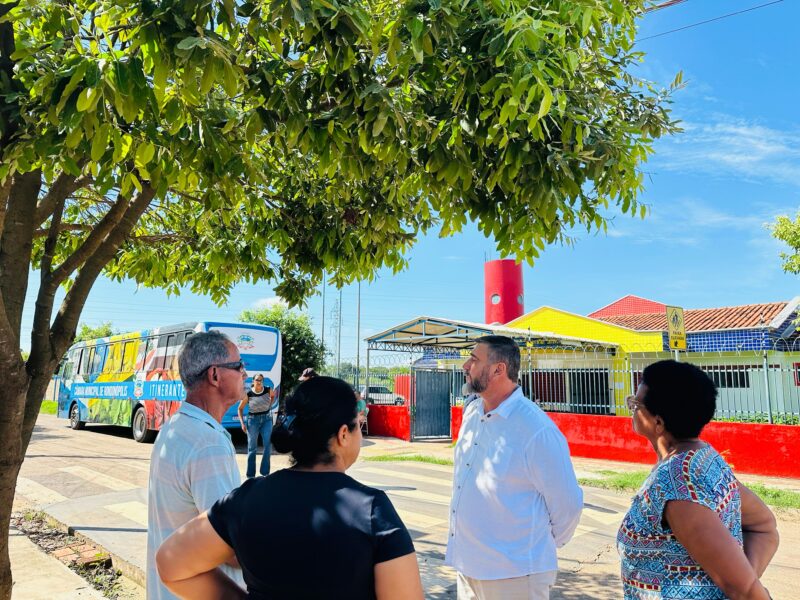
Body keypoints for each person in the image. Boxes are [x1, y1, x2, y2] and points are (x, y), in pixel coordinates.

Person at [156, 376, 424, 600]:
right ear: (343, 434)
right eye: (358, 426)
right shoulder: (372, 509)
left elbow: (170, 564)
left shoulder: (246, 499)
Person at [617, 360, 779, 599]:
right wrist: (734, 578)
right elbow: (764, 527)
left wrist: (738, 581)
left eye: (636, 404)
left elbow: (743, 588)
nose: (632, 408)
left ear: (658, 422)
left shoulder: (677, 486)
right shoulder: (702, 458)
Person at [447, 335, 583, 600]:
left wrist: (533, 546)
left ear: (499, 369)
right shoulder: (473, 414)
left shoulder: (535, 429)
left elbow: (568, 504)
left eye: (474, 359)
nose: (465, 365)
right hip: (468, 567)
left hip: (514, 575)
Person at [146, 330, 247, 599]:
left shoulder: (176, 427)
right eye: (238, 366)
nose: (245, 374)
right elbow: (228, 546)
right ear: (214, 375)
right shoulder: (208, 444)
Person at [237, 373, 276, 478]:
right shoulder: (248, 394)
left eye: (261, 380)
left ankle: (265, 473)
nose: (259, 382)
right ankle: (250, 476)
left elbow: (273, 396)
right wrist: (242, 423)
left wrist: (269, 404)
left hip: (267, 420)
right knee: (252, 448)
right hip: (253, 421)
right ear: (253, 381)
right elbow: (240, 409)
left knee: (268, 445)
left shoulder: (267, 389)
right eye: (257, 380)